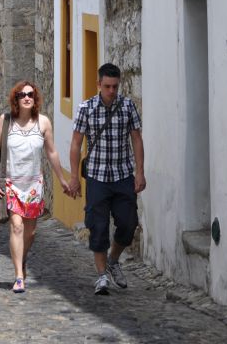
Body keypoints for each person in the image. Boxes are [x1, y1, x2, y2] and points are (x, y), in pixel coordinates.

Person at [69, 63, 146, 295]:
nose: (111, 91)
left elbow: (136, 139)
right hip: (97, 177)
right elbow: (75, 144)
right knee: (98, 227)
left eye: (115, 86)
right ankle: (102, 276)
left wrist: (140, 172)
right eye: (107, 86)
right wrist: (74, 177)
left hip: (123, 175)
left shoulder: (127, 107)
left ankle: (113, 260)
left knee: (128, 223)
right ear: (98, 85)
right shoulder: (86, 108)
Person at [0, 80, 70, 293]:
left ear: (35, 99)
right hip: (11, 184)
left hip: (34, 185)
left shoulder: (43, 123)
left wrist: (61, 178)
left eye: (30, 95)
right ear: (15, 99)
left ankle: (22, 260)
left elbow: (51, 152)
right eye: (22, 95)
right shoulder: (5, 121)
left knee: (31, 232)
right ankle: (18, 276)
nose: (26, 97)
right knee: (16, 226)